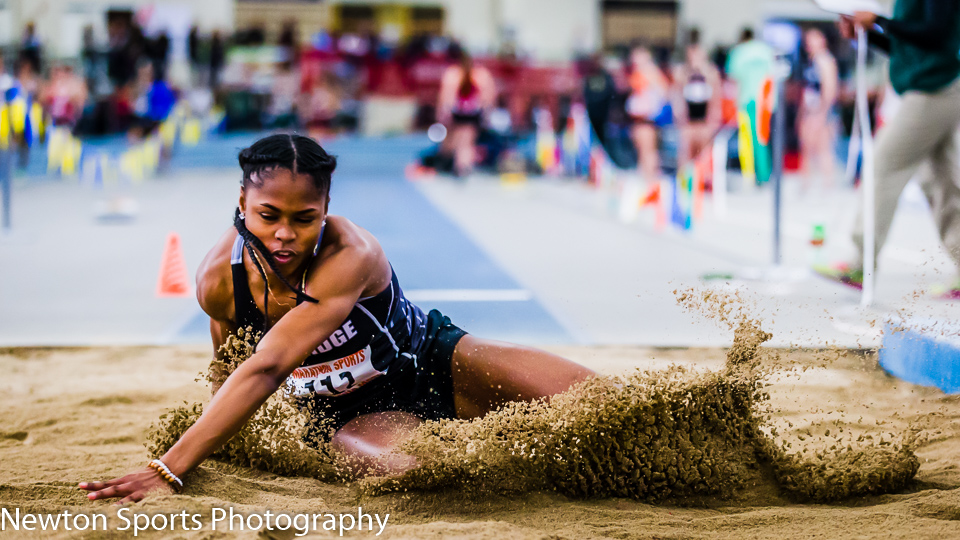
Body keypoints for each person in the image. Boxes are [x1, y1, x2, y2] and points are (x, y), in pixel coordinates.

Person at [78, 134, 596, 503]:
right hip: (356, 416)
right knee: (420, 473)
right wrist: (190, 461)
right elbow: (230, 370)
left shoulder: (351, 253)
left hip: (441, 362)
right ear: (242, 201)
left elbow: (268, 366)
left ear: (326, 207)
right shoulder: (220, 282)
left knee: (606, 407)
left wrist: (167, 467)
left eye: (304, 219)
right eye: (268, 216)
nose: (284, 235)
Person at [821, 2, 960, 298]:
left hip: (936, 89)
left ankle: (860, 262)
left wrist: (880, 20)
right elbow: (908, 47)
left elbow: (935, 35)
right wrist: (867, 33)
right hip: (933, 87)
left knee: (883, 166)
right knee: (940, 183)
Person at [725, 28, 776, 186]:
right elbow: (774, 75)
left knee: (746, 140)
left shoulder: (738, 52)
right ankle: (765, 174)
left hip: (746, 100)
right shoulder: (766, 50)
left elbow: (733, 79)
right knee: (763, 138)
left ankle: (750, 176)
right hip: (765, 102)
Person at [437, 44, 496, 177]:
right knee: (465, 141)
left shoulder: (452, 74)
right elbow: (489, 99)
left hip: (459, 113)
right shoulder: (482, 75)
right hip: (472, 114)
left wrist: (443, 114)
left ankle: (461, 165)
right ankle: (462, 164)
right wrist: (486, 115)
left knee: (461, 140)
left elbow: (445, 98)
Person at [673, 29, 722, 173]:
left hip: (704, 120)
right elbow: (676, 95)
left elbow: (716, 97)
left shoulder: (710, 73)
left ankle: (704, 180)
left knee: (705, 151)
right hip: (689, 120)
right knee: (687, 150)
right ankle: (686, 179)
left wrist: (714, 119)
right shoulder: (683, 72)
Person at [798, 28, 839, 193]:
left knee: (823, 148)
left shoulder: (825, 60)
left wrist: (822, 113)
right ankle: (806, 184)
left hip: (820, 112)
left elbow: (829, 89)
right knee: (807, 148)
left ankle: (826, 185)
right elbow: (807, 90)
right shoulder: (812, 61)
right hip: (811, 110)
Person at [624, 44, 669, 183]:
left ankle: (651, 180)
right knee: (642, 151)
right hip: (638, 119)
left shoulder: (651, 72)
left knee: (648, 151)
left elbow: (664, 92)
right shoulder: (639, 72)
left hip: (647, 119)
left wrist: (651, 106)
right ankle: (646, 179)